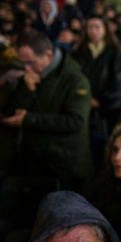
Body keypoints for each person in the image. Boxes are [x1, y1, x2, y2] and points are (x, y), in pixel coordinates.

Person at [1, 29, 91, 189]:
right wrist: (26, 90)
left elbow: (75, 122)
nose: (26, 68)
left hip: (64, 166)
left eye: (30, 62)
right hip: (35, 161)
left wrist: (28, 119)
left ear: (48, 56)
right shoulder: (32, 74)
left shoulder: (76, 80)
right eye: (23, 63)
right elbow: (12, 110)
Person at [72, 16, 121, 133]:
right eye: (90, 27)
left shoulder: (115, 51)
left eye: (97, 27)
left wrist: (101, 101)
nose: (93, 31)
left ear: (105, 29)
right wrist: (87, 98)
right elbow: (74, 77)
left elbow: (119, 80)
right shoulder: (79, 52)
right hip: (85, 104)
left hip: (111, 107)